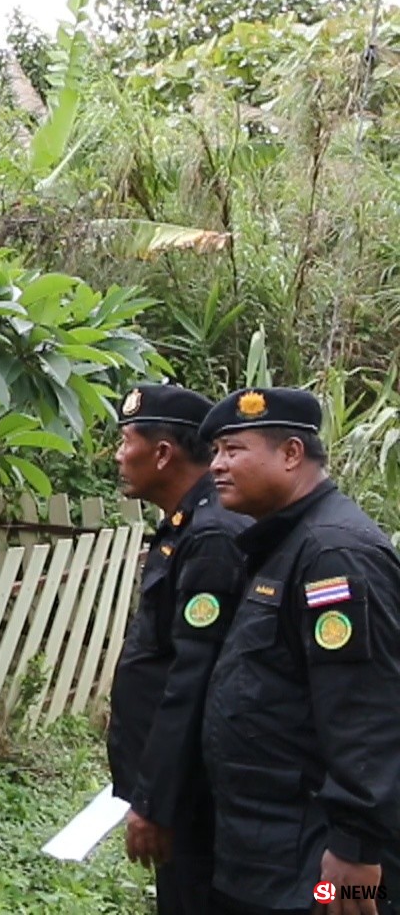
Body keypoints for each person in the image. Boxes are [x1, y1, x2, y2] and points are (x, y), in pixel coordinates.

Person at [198, 387, 400, 915]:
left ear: (291, 454)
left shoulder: (334, 553)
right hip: (268, 851)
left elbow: (367, 706)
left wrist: (355, 852)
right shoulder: (284, 543)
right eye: (215, 451)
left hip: (316, 861)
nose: (217, 466)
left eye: (233, 450)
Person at [105, 384, 250, 914]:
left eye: (125, 442)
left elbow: (191, 679)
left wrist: (157, 802)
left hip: (192, 795)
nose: (119, 456)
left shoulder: (210, 536)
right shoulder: (186, 526)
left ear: (162, 453)